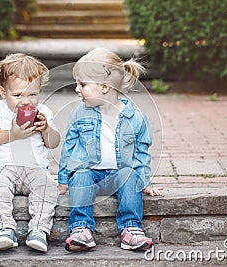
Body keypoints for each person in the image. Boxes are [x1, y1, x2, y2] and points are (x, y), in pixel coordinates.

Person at [58, 48, 162, 252]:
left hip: (119, 176)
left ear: (104, 87)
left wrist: (146, 181)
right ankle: (81, 229)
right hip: (91, 175)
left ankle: (131, 229)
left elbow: (141, 153)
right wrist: (63, 180)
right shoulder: (79, 113)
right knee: (80, 175)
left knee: (130, 175)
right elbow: (69, 148)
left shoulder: (135, 117)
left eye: (83, 84)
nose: (77, 90)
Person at [0, 53, 60, 252]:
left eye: (32, 94)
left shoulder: (44, 112)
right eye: (17, 95)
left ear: (39, 91)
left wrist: (46, 129)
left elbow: (54, 143)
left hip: (35, 168)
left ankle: (39, 231)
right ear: (2, 91)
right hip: (3, 166)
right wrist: (12, 134)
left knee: (48, 187)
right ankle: (4, 228)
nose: (25, 101)